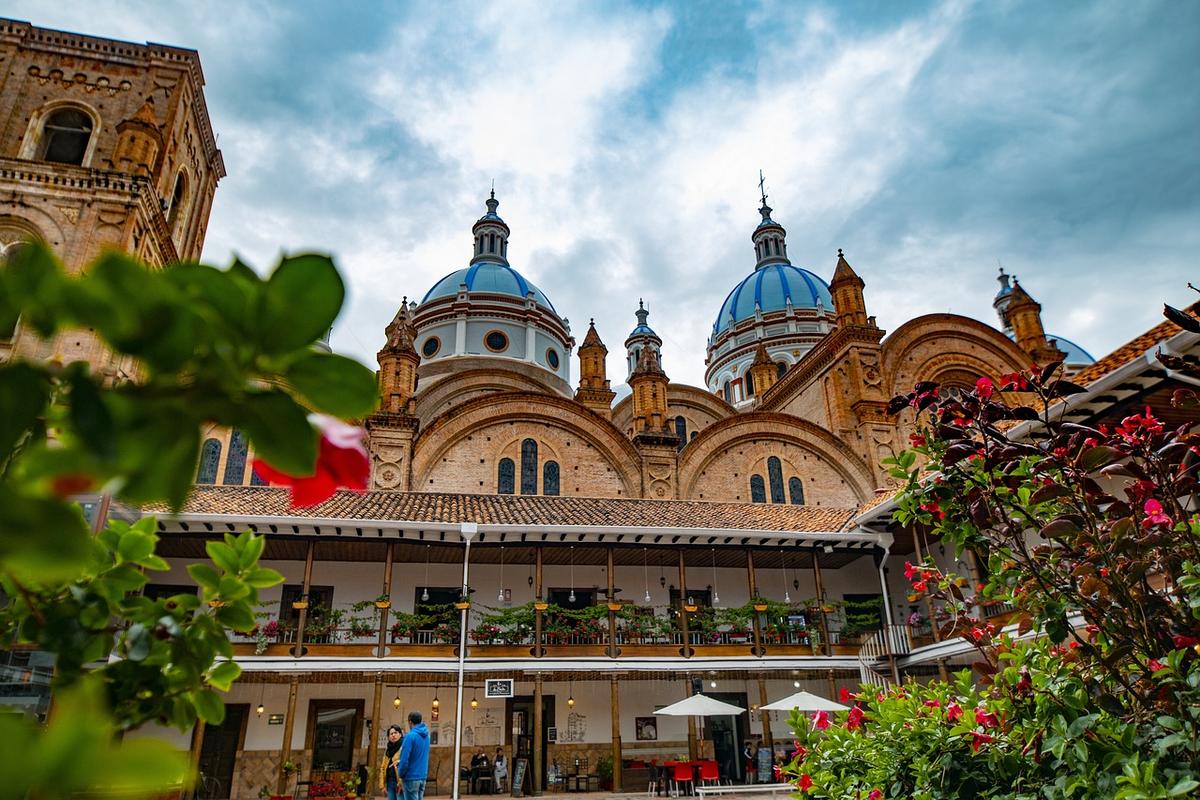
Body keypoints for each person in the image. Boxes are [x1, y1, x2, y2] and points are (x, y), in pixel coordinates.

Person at [396, 711, 430, 800]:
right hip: (422, 776)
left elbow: (404, 759)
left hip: (411, 777)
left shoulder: (410, 736)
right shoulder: (427, 736)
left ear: (410, 722)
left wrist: (400, 774)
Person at [379, 725, 404, 800]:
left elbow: (409, 762)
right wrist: (381, 786)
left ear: (400, 734)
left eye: (395, 733)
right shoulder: (388, 750)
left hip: (401, 783)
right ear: (388, 737)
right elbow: (383, 767)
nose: (393, 735)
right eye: (391, 734)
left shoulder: (404, 746)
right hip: (390, 782)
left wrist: (402, 783)